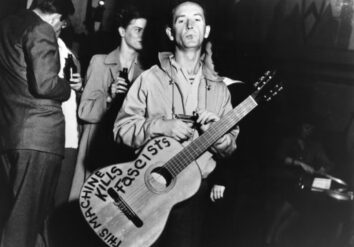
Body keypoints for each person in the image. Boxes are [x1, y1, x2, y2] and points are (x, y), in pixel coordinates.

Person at [113, 1, 239, 246]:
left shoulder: (221, 90)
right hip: (149, 187)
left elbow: (231, 144)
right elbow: (121, 130)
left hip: (194, 194)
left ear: (206, 31)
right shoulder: (149, 79)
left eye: (197, 19)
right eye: (181, 20)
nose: (190, 25)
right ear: (171, 32)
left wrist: (221, 139)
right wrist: (161, 126)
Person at [0, 0, 79, 246]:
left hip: (10, 134)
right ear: (57, 16)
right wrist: (68, 87)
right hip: (39, 138)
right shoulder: (42, 29)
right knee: (25, 224)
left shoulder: (4, 27)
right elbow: (47, 84)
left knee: (20, 218)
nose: (59, 28)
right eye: (61, 23)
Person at [68, 5, 148, 200]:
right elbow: (85, 111)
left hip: (124, 151)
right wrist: (109, 98)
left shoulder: (146, 74)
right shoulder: (100, 62)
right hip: (96, 145)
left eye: (146, 31)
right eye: (137, 30)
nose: (142, 35)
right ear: (122, 31)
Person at [266, 117, 335, 246]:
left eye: (312, 129)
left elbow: (329, 163)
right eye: (306, 128)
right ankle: (270, 235)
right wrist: (299, 164)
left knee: (298, 209)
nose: (309, 131)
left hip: (304, 184)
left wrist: (323, 168)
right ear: (300, 127)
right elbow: (280, 158)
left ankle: (278, 235)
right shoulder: (289, 141)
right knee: (285, 206)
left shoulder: (315, 145)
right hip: (287, 180)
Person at [54, 19, 83, 208]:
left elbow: (80, 105)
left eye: (62, 22)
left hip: (69, 137)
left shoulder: (70, 56)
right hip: (45, 134)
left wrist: (79, 88)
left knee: (60, 197)